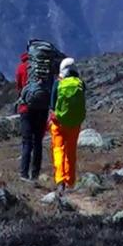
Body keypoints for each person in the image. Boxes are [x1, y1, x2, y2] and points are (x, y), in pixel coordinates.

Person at [49, 56, 86, 192]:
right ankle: (70, 181)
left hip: (58, 122)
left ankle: (60, 180)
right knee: (70, 152)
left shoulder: (58, 83)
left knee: (58, 149)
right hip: (74, 124)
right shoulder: (80, 83)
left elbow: (52, 103)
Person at [15, 48, 49, 183]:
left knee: (26, 141)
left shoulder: (22, 67)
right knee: (38, 142)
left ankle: (24, 174)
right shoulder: (46, 67)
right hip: (42, 108)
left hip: (26, 108)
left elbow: (18, 87)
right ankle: (35, 174)